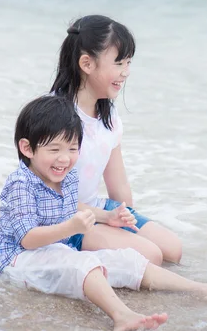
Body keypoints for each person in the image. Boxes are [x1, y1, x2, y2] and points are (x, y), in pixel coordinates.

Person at [0, 96, 207, 331]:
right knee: (83, 264)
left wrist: (107, 217)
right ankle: (122, 315)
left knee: (126, 260)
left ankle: (203, 289)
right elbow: (28, 239)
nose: (65, 158)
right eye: (54, 149)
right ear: (27, 148)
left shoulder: (66, 178)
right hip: (19, 260)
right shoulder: (21, 184)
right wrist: (70, 229)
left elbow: (71, 207)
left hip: (56, 248)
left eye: (72, 149)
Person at [49, 14, 182, 266]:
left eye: (129, 63)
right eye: (119, 63)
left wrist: (124, 219)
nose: (126, 73)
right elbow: (46, 195)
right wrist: (103, 218)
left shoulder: (109, 118)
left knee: (172, 250)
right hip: (63, 217)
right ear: (87, 64)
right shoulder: (55, 116)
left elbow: (119, 186)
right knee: (150, 255)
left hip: (97, 208)